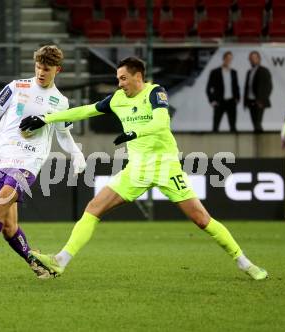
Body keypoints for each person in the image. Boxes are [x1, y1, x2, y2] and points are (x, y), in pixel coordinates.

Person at [20, 56, 268, 281]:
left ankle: (244, 262)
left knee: (202, 219)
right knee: (94, 208)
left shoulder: (154, 92)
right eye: (118, 79)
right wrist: (46, 118)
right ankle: (61, 261)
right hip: (136, 170)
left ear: (138, 77)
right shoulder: (117, 99)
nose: (120, 84)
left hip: (165, 167)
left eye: (123, 78)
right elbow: (85, 111)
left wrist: (133, 132)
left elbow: (162, 123)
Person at [0, 45, 86, 281]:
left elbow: (63, 135)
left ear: (58, 69)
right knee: (8, 228)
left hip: (28, 162)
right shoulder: (16, 86)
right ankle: (38, 264)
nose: (40, 73)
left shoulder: (60, 102)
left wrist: (76, 153)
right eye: (38, 67)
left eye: (46, 69)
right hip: (0, 158)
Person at [206, 51, 240, 132]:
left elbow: (236, 87)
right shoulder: (215, 72)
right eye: (227, 58)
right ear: (224, 59)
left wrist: (237, 98)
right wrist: (212, 100)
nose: (228, 60)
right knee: (216, 126)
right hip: (219, 102)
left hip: (231, 102)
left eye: (230, 59)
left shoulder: (233, 72)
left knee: (233, 126)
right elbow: (208, 88)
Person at [244, 51, 273, 133]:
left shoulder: (264, 71)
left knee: (258, 123)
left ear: (259, 59)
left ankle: (260, 142)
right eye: (251, 58)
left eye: (255, 58)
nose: (253, 60)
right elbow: (248, 87)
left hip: (259, 101)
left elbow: (269, 87)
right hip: (250, 100)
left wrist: (262, 100)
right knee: (254, 122)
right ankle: (257, 142)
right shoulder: (249, 72)